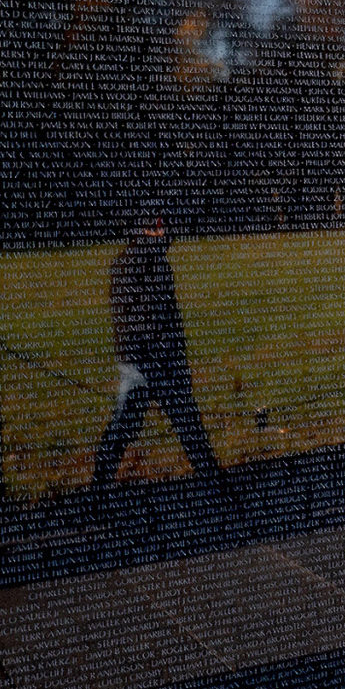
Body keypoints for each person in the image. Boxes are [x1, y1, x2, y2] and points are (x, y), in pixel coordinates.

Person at [92, 213, 221, 505]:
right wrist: (160, 358)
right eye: (158, 227)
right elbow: (134, 322)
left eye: (164, 225)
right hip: (142, 363)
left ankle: (214, 486)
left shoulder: (160, 264)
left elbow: (171, 319)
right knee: (125, 426)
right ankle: (97, 492)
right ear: (144, 229)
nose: (164, 231)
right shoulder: (126, 266)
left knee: (187, 424)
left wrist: (178, 360)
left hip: (165, 362)